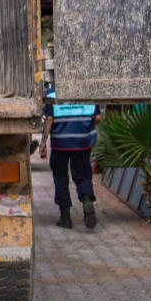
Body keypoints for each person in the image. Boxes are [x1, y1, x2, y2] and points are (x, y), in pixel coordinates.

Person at [42, 84, 99, 229]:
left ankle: (65, 218)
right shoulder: (88, 91)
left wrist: (43, 142)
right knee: (83, 175)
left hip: (60, 143)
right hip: (82, 142)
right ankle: (87, 202)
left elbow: (49, 119)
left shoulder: (52, 93)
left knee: (60, 177)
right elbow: (98, 117)